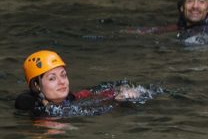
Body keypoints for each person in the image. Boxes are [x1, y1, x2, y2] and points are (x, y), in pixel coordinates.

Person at [14, 50, 144, 117]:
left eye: (63, 75)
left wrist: (121, 92)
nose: (62, 82)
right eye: (52, 78)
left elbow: (96, 94)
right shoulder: (28, 102)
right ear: (36, 85)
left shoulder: (70, 98)